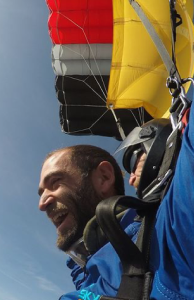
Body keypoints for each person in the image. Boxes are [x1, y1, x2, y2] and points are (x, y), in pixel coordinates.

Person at [38, 118, 179, 299]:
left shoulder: (168, 234)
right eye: (41, 192)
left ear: (104, 178)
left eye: (56, 182)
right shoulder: (87, 272)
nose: (42, 204)